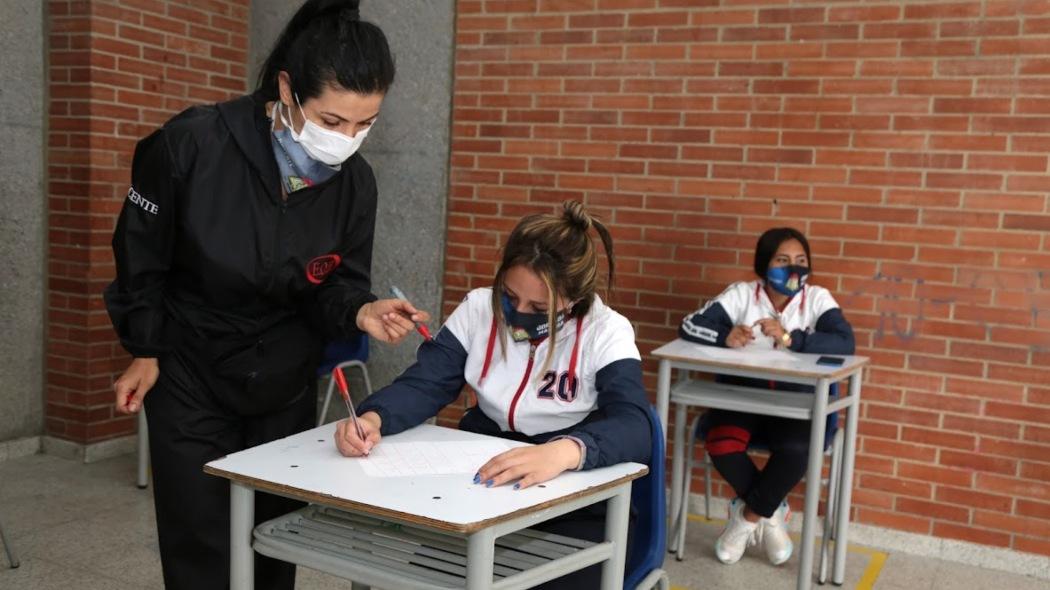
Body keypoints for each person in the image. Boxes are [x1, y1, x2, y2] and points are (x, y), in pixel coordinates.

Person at [103, 2, 428, 589]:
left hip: (283, 379)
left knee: (275, 538)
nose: (347, 140)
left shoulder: (355, 184)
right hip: (190, 369)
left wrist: (360, 307)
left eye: (365, 124)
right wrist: (144, 347)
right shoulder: (192, 144)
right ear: (287, 88)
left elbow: (336, 283)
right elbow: (140, 255)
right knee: (200, 540)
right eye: (332, 121)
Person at [334, 201, 652, 589]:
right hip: (483, 485)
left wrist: (562, 452)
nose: (518, 313)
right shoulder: (478, 309)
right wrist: (373, 418)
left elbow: (634, 425)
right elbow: (426, 383)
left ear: (574, 300)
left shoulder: (607, 331)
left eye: (538, 307)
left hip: (575, 503)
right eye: (509, 295)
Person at [678, 227, 854, 566]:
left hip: (796, 402)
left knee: (800, 450)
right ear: (764, 263)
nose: (793, 269)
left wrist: (792, 338)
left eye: (801, 261)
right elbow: (689, 325)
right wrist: (724, 336)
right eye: (783, 260)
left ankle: (746, 518)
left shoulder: (818, 299)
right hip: (740, 396)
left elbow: (845, 342)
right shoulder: (742, 294)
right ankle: (770, 513)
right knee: (721, 443)